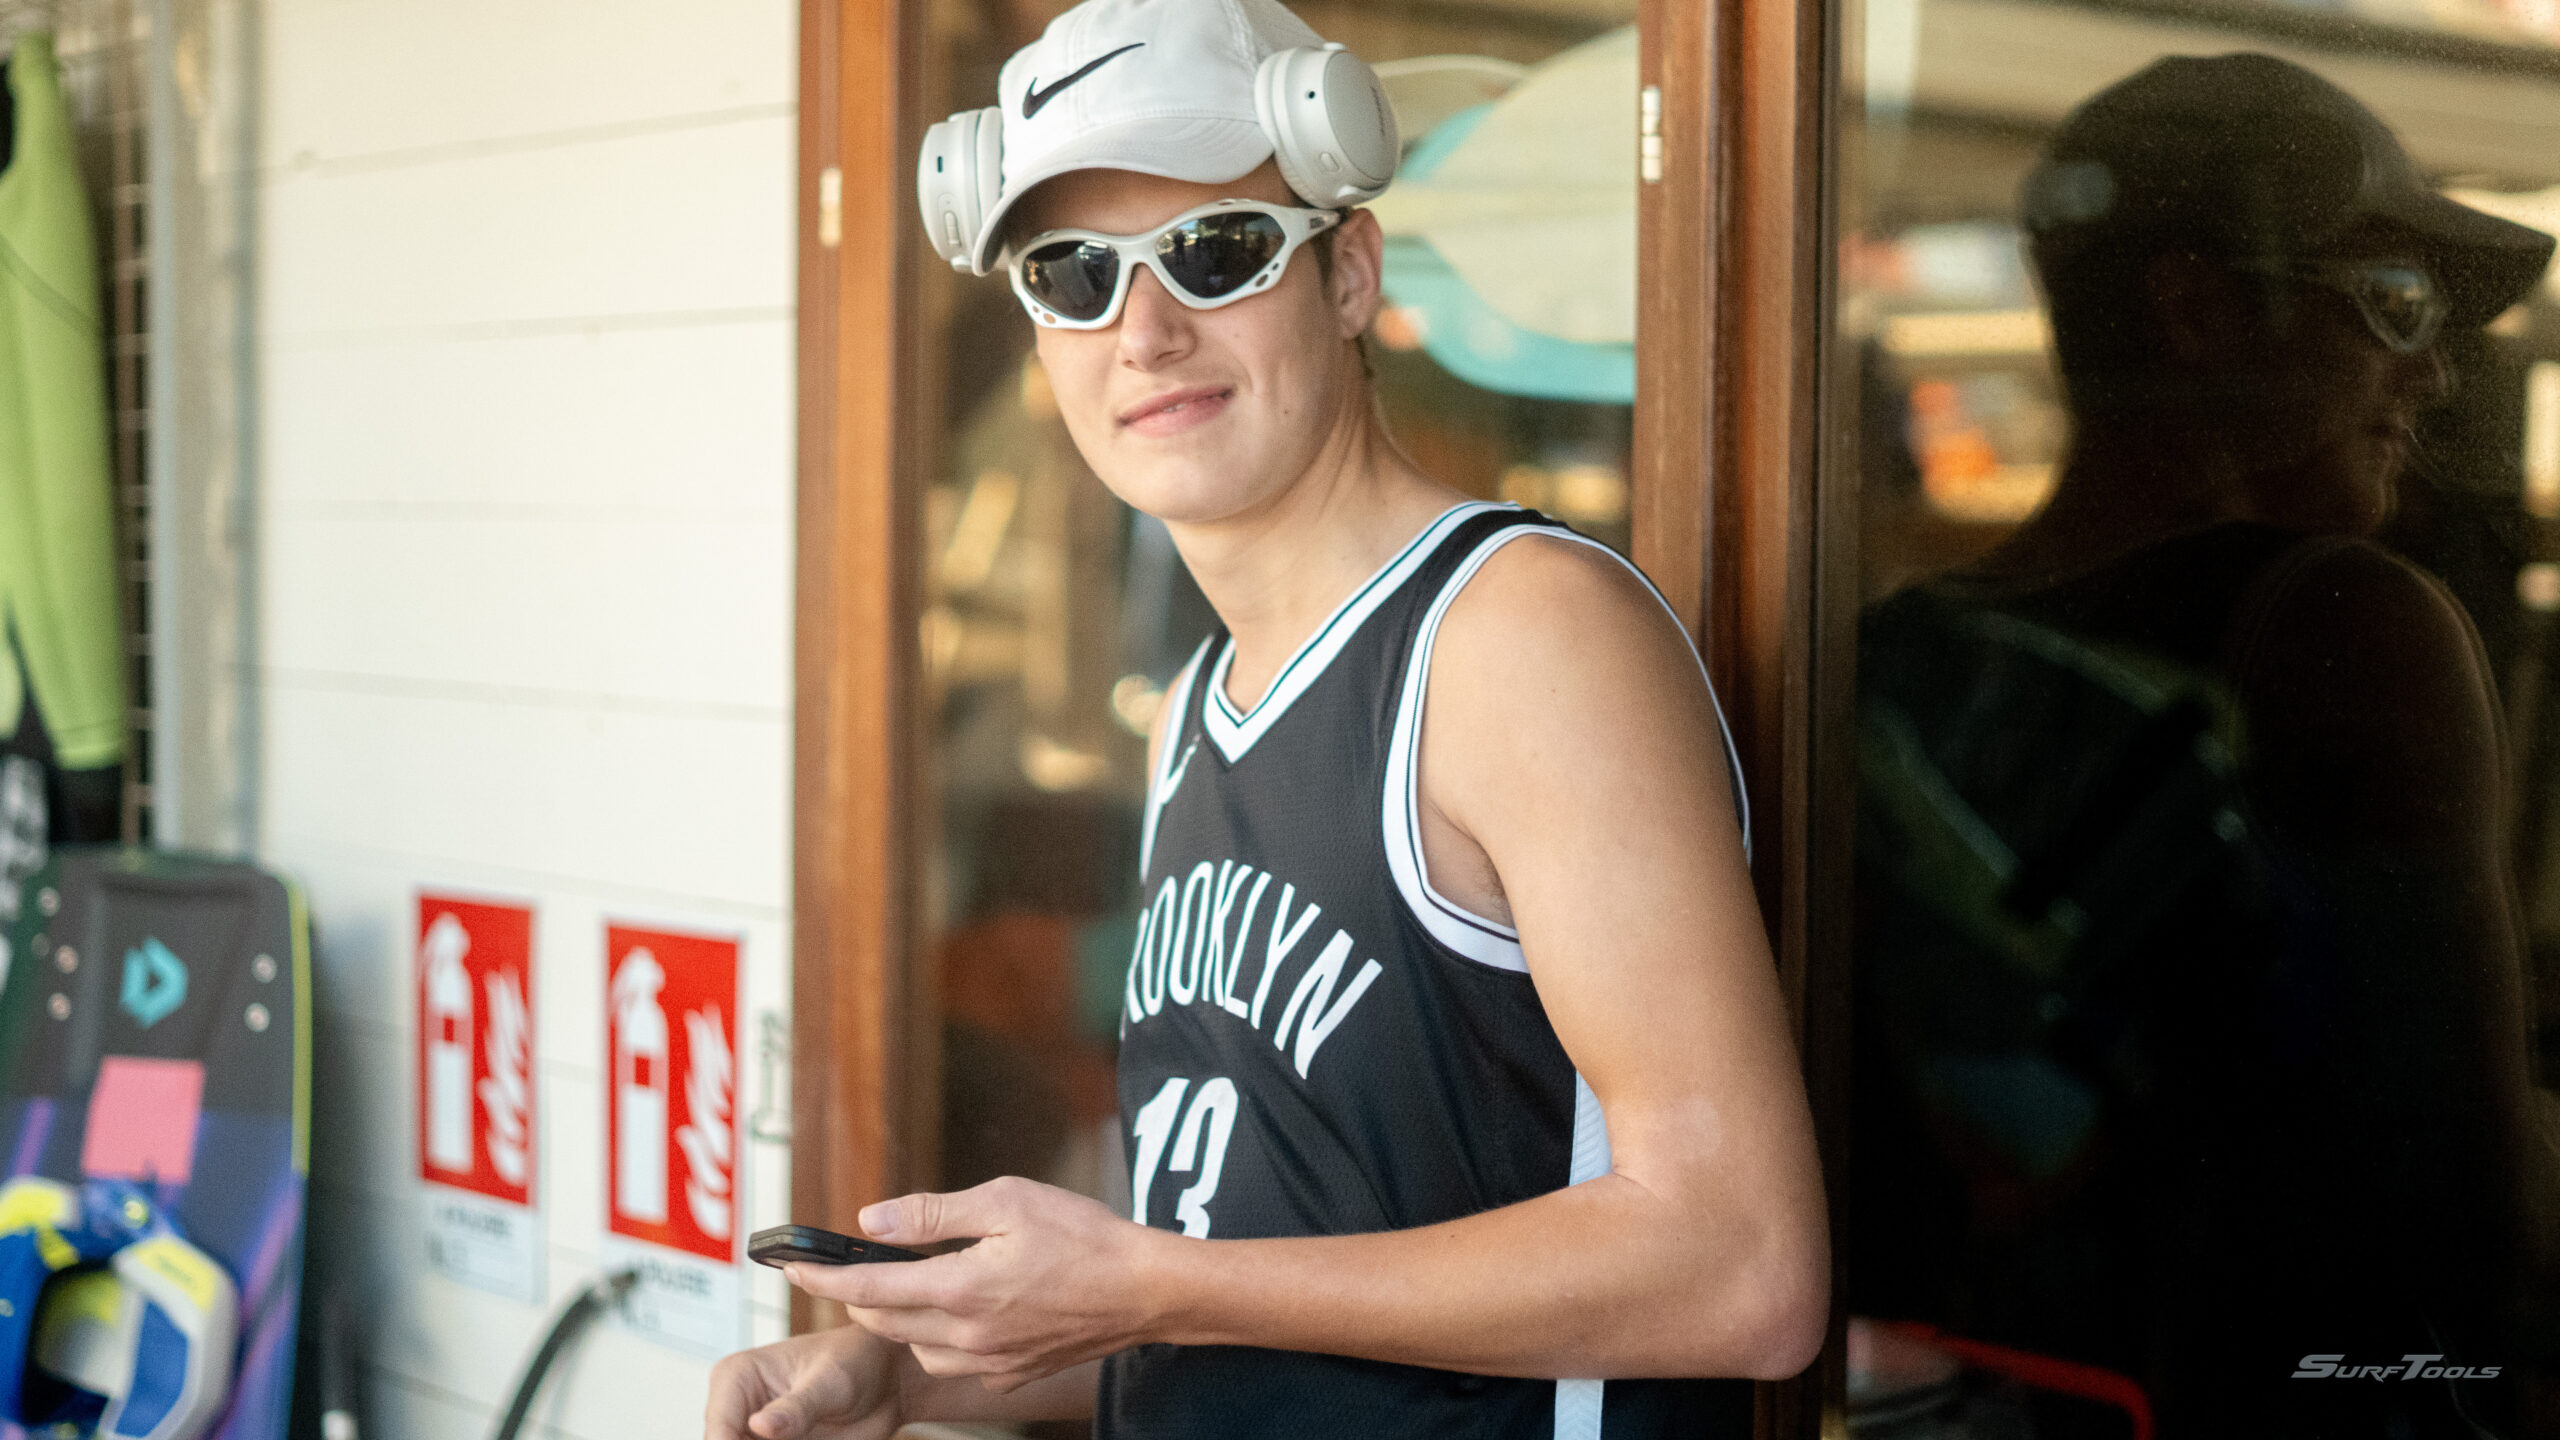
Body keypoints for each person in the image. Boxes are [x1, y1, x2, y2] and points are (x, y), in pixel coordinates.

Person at [704, 1, 1829, 1436]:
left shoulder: (1516, 638)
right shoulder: (1196, 709)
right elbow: (1245, 1288)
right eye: (1074, 275)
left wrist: (1153, 1286)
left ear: (1348, 274)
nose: (1145, 331)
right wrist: (916, 1366)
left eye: (1216, 250)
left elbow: (1743, 1266)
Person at [1848, 54, 2560, 1436]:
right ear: (2196, 309)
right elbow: (2478, 1223)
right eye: (2391, 301)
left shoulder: (1890, 654)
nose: (2430, 368)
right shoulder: (2346, 624)